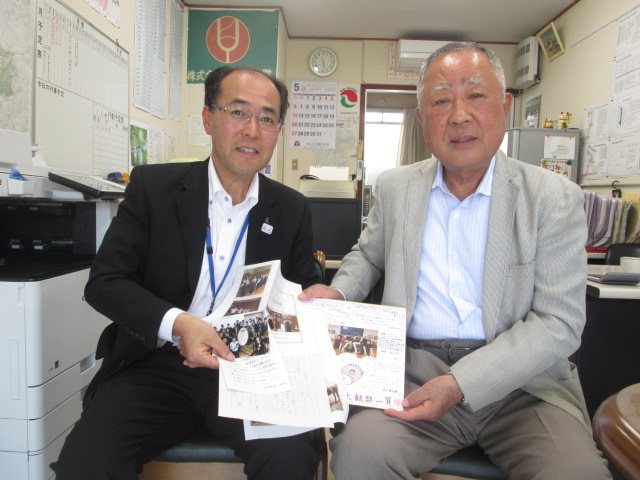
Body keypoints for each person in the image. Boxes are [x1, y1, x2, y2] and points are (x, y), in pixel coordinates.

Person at [299, 42, 612, 479]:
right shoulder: (395, 187)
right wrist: (340, 291)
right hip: (412, 371)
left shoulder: (553, 197)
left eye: (476, 95)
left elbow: (559, 323)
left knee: (576, 474)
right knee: (358, 457)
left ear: (504, 107)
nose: (460, 115)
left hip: (524, 384)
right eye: (442, 100)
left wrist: (462, 383)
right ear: (422, 117)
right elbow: (368, 255)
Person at [52, 66, 322, 480]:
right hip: (156, 364)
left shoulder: (291, 208)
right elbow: (105, 282)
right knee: (87, 465)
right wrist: (179, 324)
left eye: (267, 118)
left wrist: (321, 297)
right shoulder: (153, 188)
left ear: (278, 131)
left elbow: (304, 287)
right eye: (238, 112)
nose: (252, 130)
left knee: (292, 459)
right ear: (208, 118)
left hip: (250, 368)